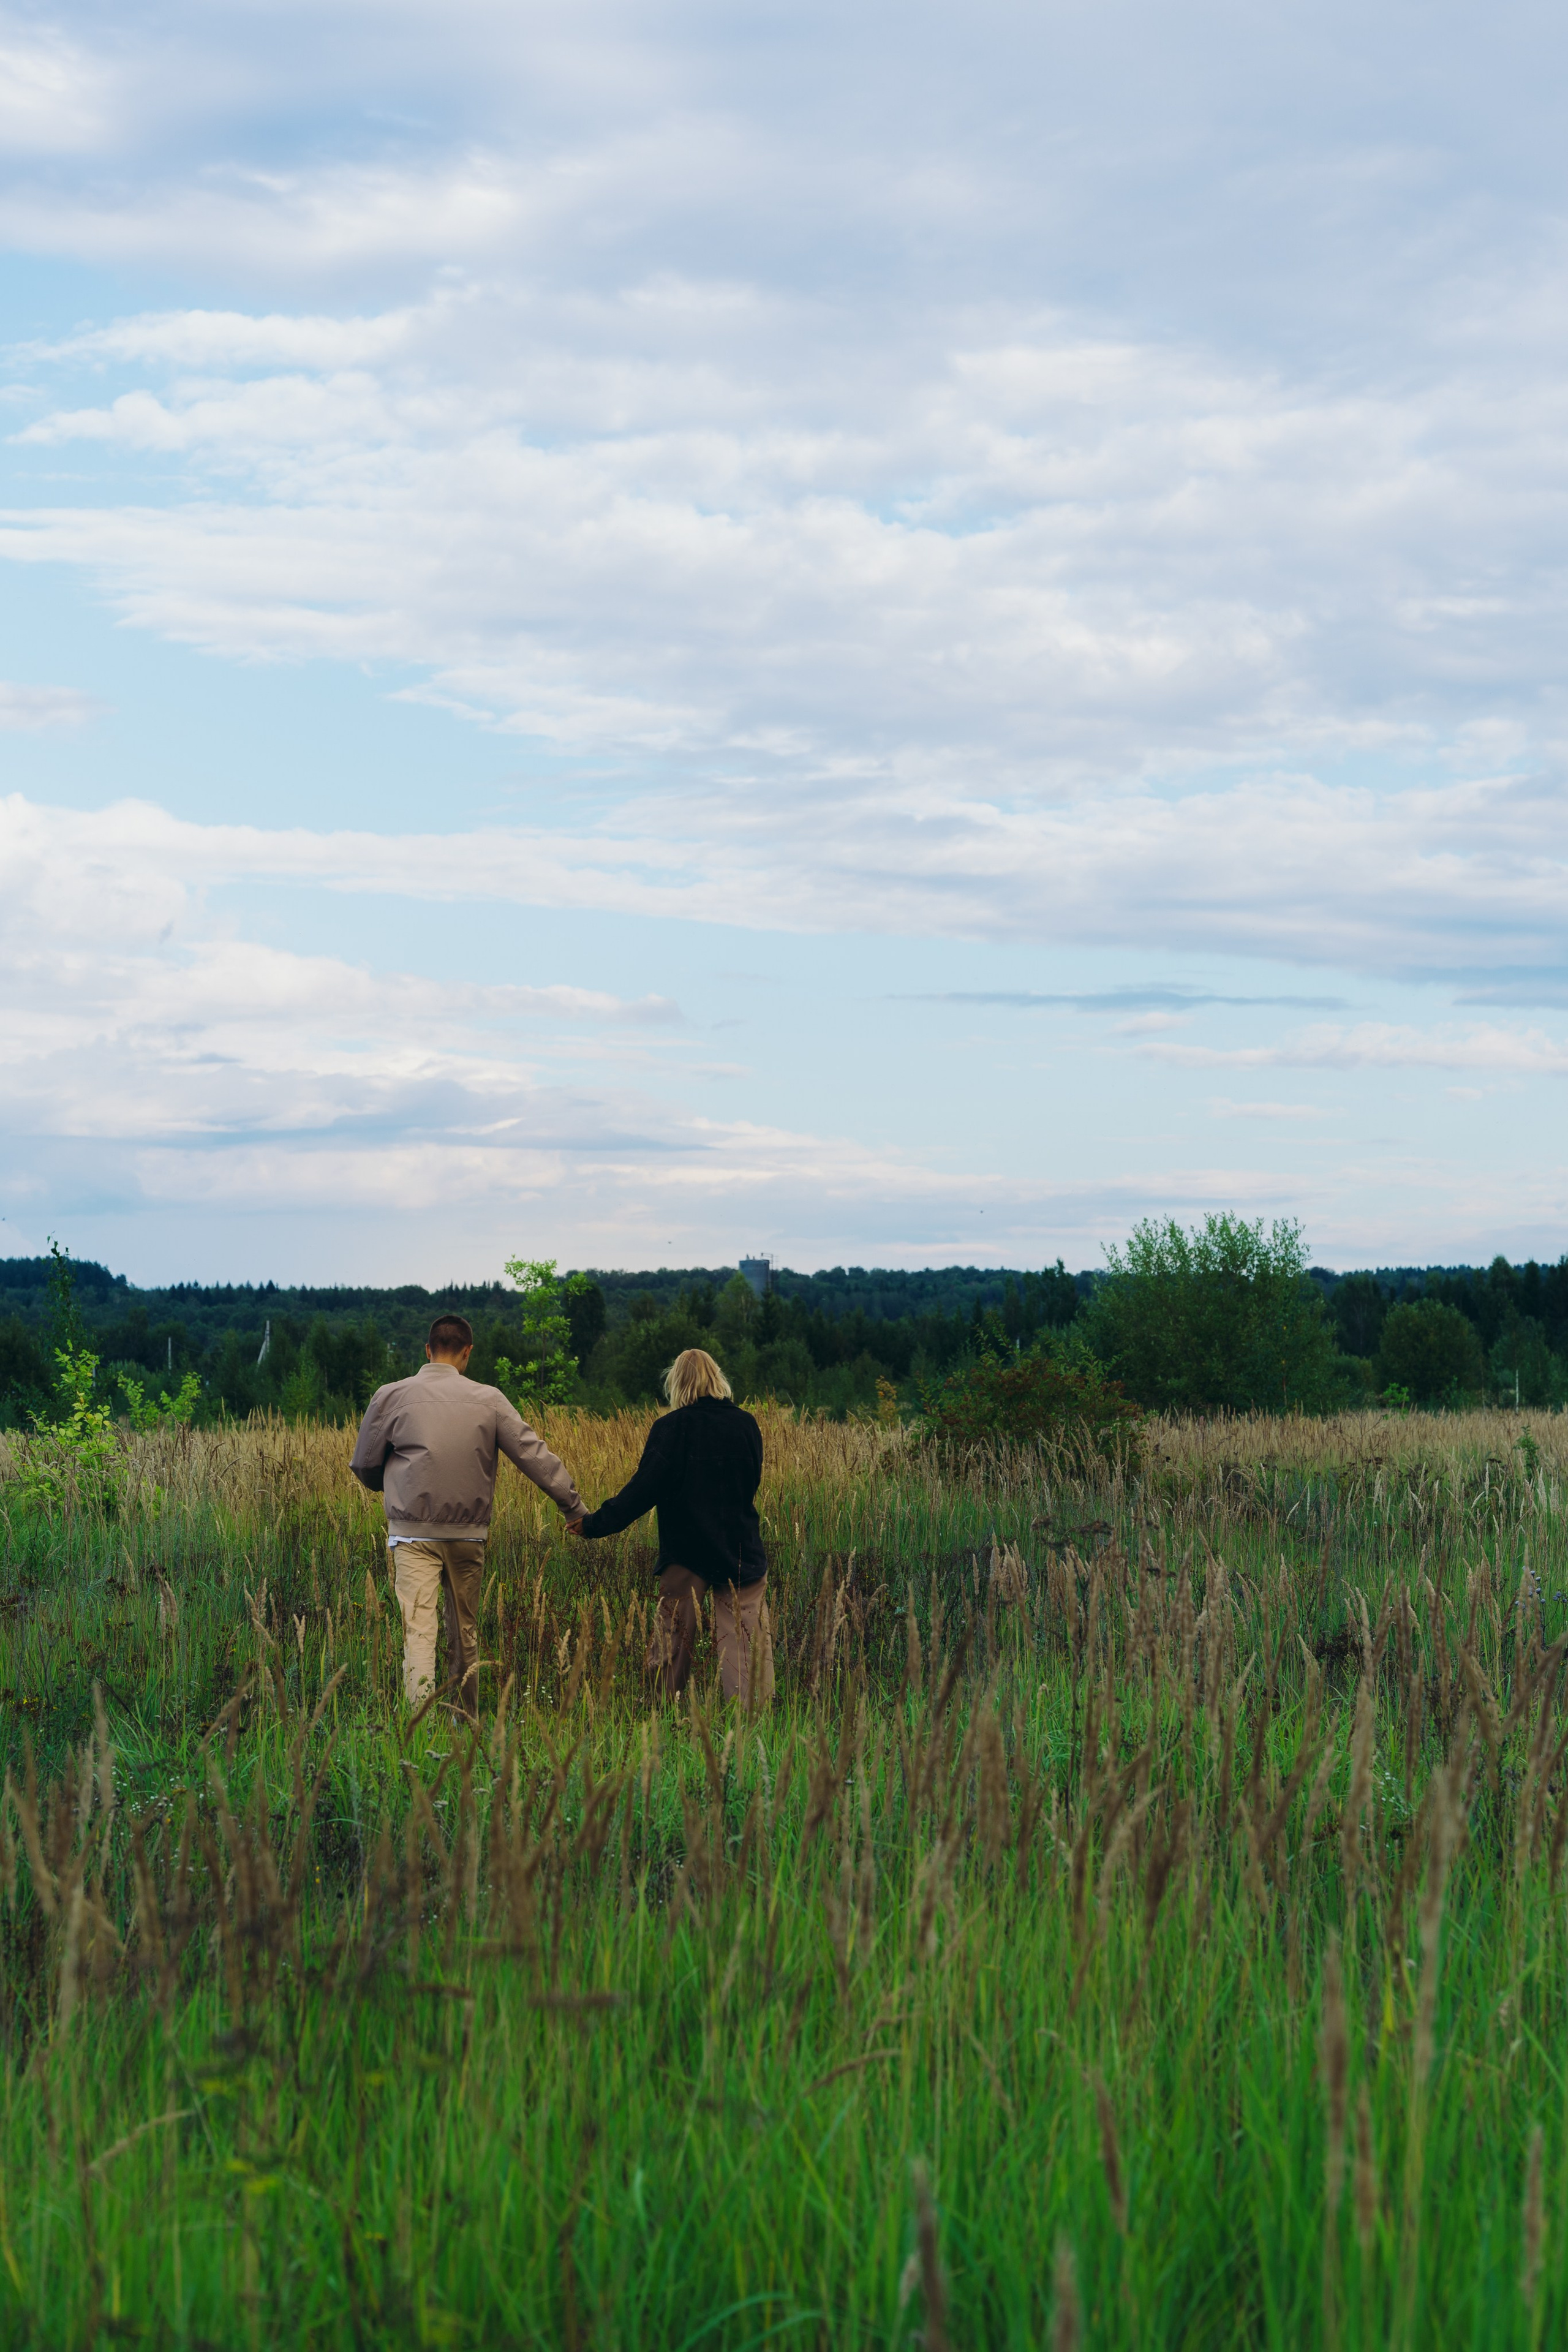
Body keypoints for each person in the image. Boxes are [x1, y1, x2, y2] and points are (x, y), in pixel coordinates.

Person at [350, 1313, 584, 1718]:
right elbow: (534, 1456)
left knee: (419, 1632)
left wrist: (386, 1485)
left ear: (428, 1350)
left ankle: (418, 1729)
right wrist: (573, 1508)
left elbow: (364, 1463)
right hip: (468, 1534)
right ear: (467, 1352)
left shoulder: (390, 1395)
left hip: (412, 1533)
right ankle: (465, 1721)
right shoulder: (490, 1400)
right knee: (465, 1634)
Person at [568, 1347, 772, 1706]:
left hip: (686, 1552)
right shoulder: (746, 1424)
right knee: (747, 1644)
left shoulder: (671, 1429)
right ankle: (752, 1722)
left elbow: (642, 1490)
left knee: (672, 1643)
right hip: (742, 1549)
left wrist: (595, 1524)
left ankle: (662, 1716)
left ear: (677, 1383)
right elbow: (750, 1481)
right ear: (717, 1378)